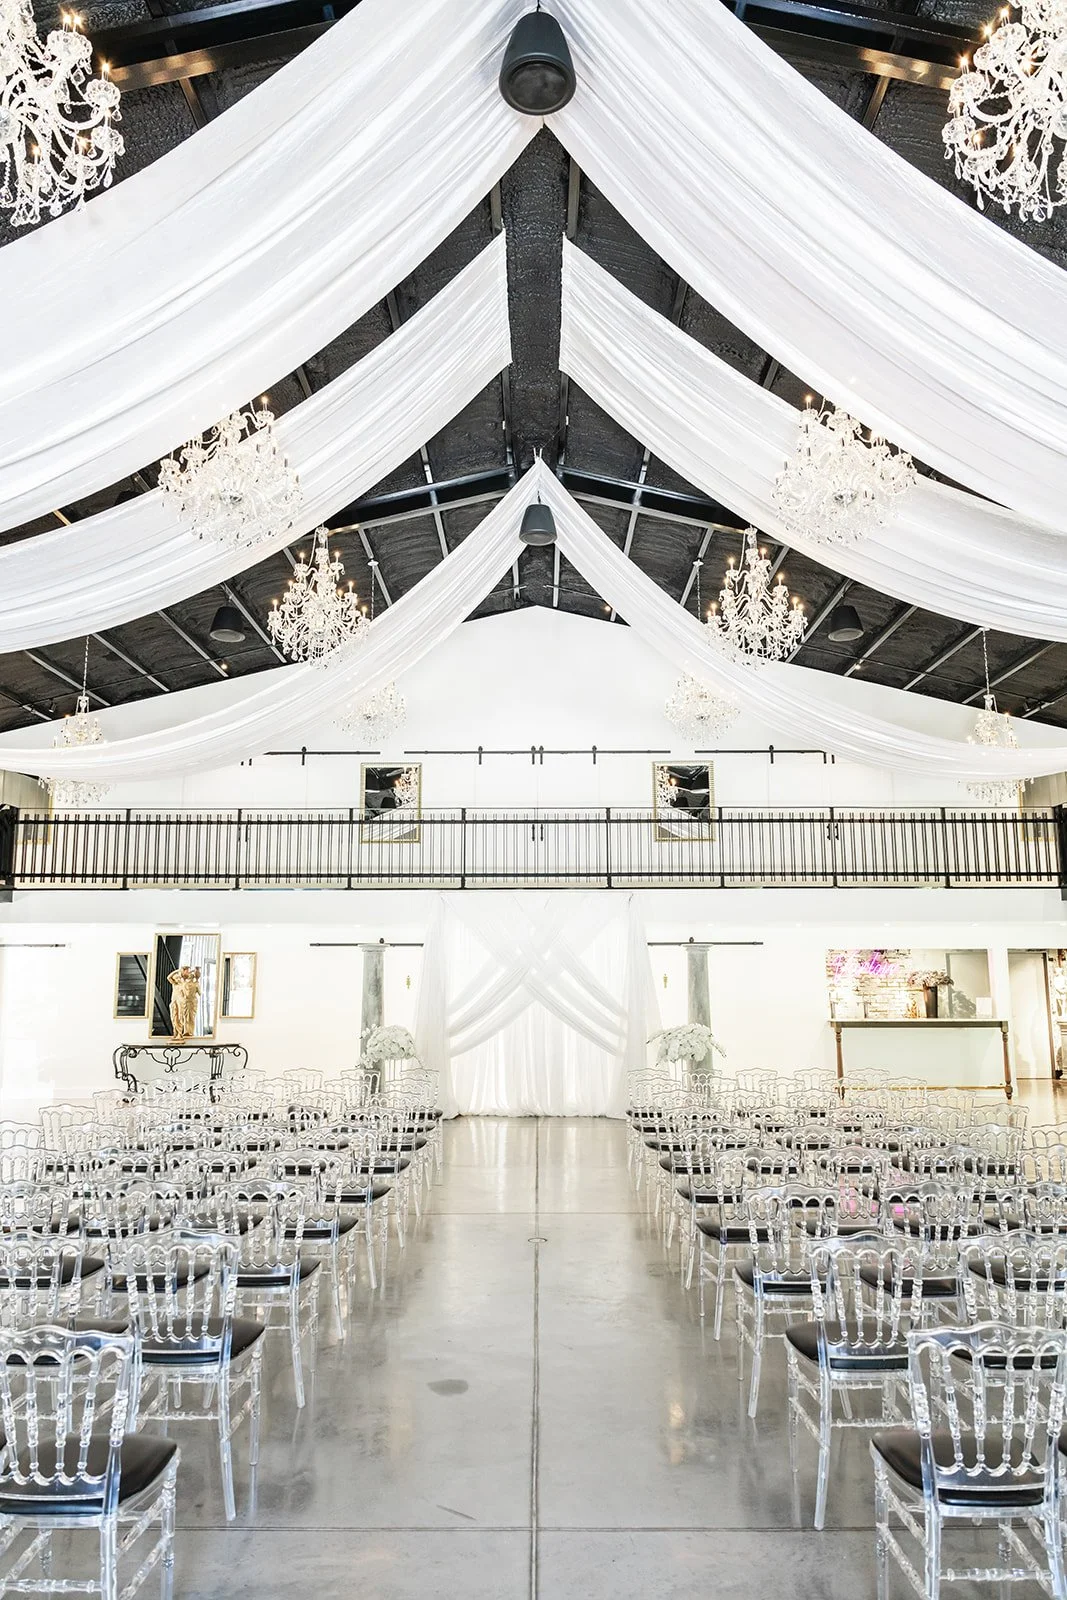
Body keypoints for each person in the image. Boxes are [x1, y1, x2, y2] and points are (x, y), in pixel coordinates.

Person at [167, 965, 201, 1042]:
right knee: (174, 1017)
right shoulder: (175, 983)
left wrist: (194, 973)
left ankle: (180, 1033)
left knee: (180, 1017)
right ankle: (176, 1033)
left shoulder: (184, 983)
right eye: (186, 970)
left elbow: (195, 978)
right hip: (174, 1001)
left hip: (181, 1002)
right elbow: (169, 977)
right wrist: (178, 970)